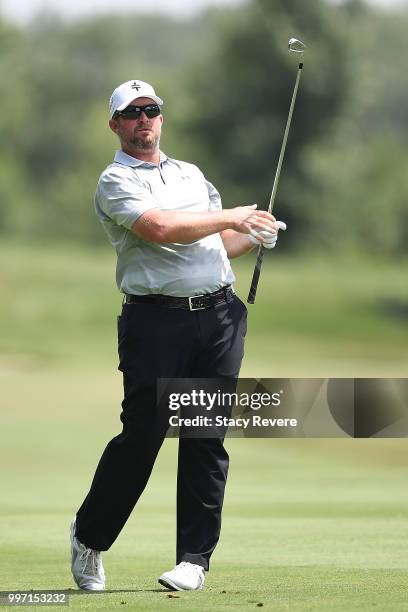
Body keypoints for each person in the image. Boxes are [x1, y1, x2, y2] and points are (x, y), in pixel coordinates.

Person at [70, 79, 286, 592]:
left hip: (218, 318)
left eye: (152, 109)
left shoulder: (190, 174)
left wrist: (254, 234)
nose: (144, 118)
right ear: (116, 124)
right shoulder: (114, 181)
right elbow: (162, 229)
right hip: (155, 322)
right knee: (142, 438)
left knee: (206, 439)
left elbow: (218, 245)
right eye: (133, 112)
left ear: (161, 118)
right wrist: (231, 214)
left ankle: (194, 559)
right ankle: (89, 537)